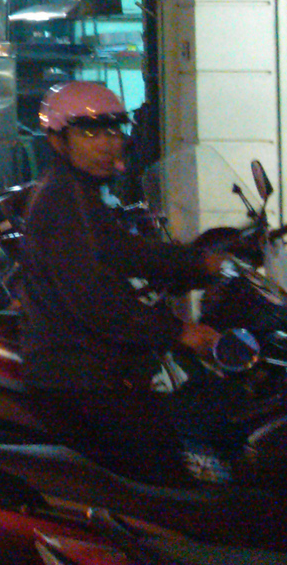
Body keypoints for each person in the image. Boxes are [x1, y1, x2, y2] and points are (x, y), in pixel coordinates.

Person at [17, 80, 224, 486]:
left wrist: (199, 262)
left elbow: (125, 250)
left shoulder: (80, 193)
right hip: (77, 372)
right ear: (59, 140)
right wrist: (178, 331)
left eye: (113, 131)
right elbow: (96, 299)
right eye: (89, 133)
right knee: (163, 470)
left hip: (84, 361)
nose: (106, 144)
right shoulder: (64, 201)